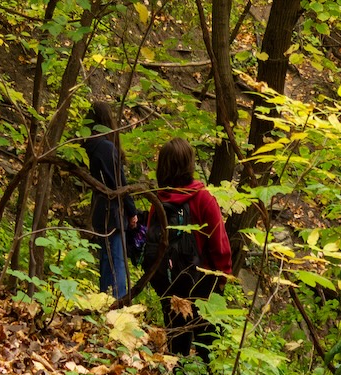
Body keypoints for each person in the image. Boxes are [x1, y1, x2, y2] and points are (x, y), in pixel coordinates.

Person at [145, 138, 232, 356]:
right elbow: (219, 243)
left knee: (177, 346)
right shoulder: (203, 198)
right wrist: (223, 277)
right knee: (208, 347)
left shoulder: (158, 200)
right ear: (189, 164)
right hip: (202, 281)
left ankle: (177, 374)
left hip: (170, 283)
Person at [82, 100, 136, 299]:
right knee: (116, 261)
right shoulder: (105, 147)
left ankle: (104, 301)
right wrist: (131, 211)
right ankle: (116, 303)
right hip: (111, 211)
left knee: (108, 261)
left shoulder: (89, 146)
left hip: (100, 209)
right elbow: (119, 183)